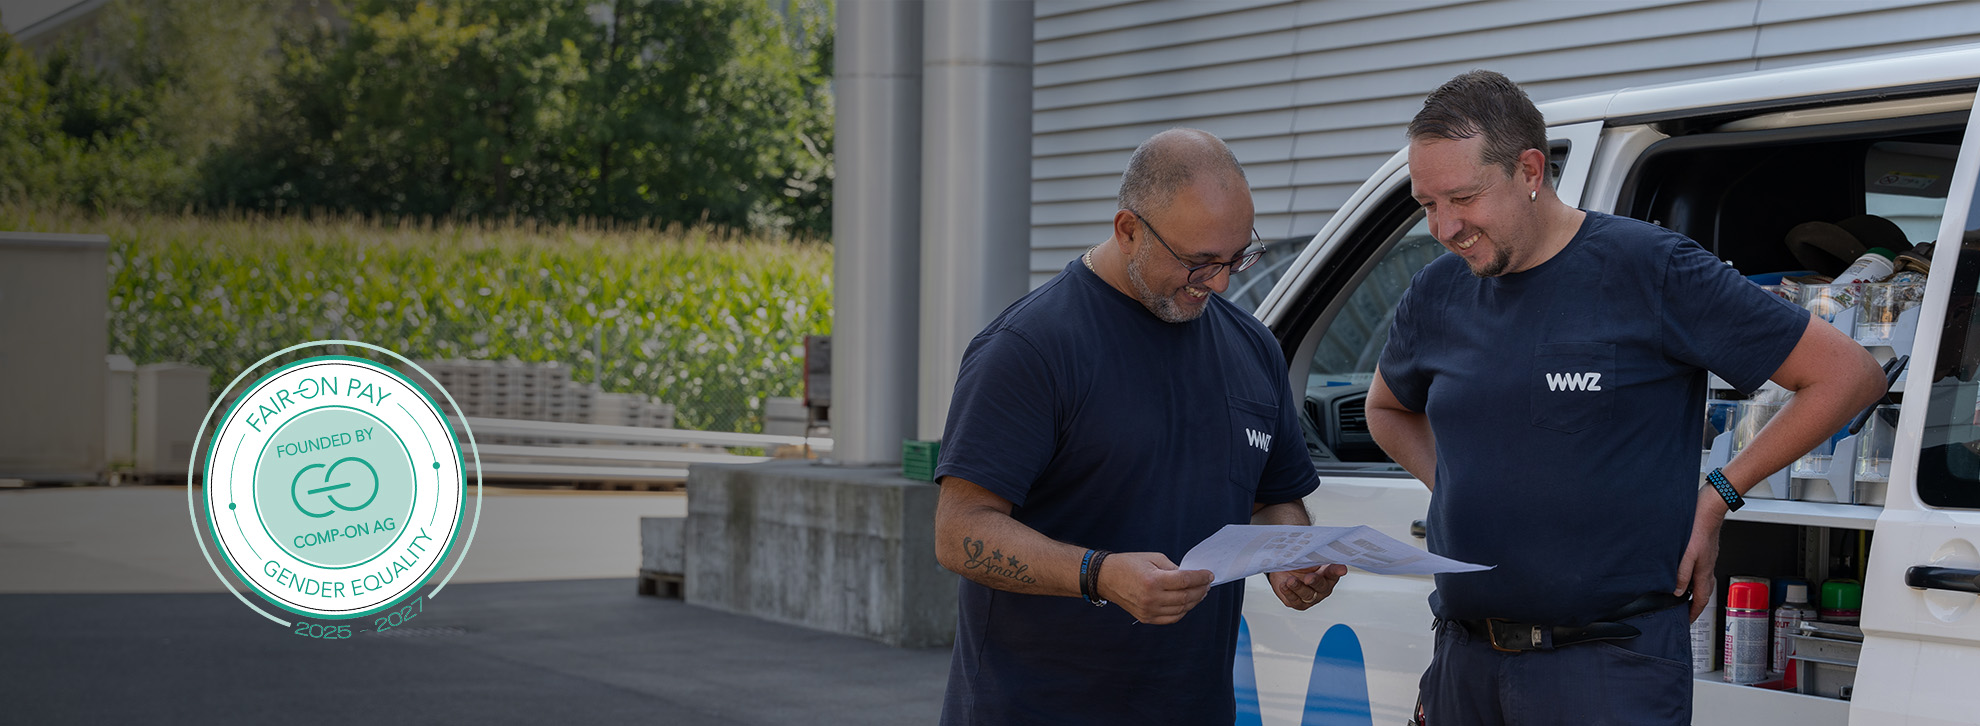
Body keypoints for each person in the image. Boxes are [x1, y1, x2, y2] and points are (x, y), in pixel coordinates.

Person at [1365, 70, 1887, 725]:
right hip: (1465, 662)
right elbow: (1385, 409)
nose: (1443, 226)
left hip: (1608, 668)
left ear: (1530, 169)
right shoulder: (1438, 292)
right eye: (1426, 204)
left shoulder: (1651, 268)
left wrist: (1718, 495)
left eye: (1461, 198)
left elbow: (1848, 376)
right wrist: (1458, 484)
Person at [932, 128, 1349, 725]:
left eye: (1237, 258)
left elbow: (1272, 499)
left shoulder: (1252, 348)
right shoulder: (1029, 349)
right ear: (1128, 229)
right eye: (1199, 261)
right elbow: (959, 532)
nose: (1222, 282)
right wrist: (1097, 574)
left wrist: (1290, 557)